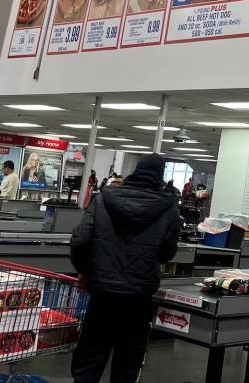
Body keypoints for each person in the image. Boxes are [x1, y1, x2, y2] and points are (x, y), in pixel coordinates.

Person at [70, 154, 182, 383]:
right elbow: (168, 253)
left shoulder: (103, 199)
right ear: (160, 175)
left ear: (136, 170)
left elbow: (80, 240)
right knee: (127, 365)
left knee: (89, 361)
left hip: (101, 293)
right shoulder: (169, 208)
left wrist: (83, 270)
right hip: (138, 297)